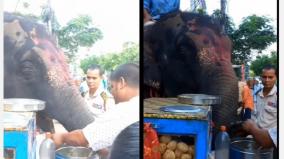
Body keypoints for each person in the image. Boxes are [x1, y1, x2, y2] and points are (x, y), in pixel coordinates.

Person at [51, 63, 139, 153]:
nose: (90, 81)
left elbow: (86, 137)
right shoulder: (84, 94)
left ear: (121, 83)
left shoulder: (110, 101)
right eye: (88, 78)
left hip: (94, 141)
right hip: (88, 139)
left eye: (112, 86)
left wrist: (62, 137)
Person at [251, 65, 277, 130]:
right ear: (261, 77)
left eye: (270, 77)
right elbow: (253, 115)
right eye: (264, 77)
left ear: (276, 77)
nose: (267, 80)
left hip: (270, 138)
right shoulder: (256, 94)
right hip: (254, 134)